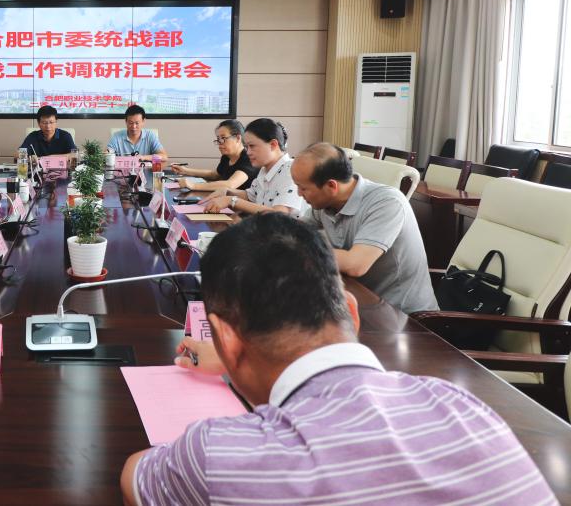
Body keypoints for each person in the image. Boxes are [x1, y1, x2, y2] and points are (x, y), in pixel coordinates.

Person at [121, 214, 555, 505]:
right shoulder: (467, 410)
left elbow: (134, 476)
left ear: (227, 339)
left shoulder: (216, 455)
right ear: (350, 310)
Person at [292, 142, 438, 314]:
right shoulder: (324, 203)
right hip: (358, 301)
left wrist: (298, 250)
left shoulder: (387, 202)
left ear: (331, 186)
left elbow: (355, 264)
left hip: (404, 316)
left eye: (303, 188)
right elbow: (293, 233)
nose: (299, 194)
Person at [200, 118, 308, 217]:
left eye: (252, 146)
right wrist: (227, 191)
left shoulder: (291, 170)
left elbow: (279, 214)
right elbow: (250, 195)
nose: (248, 152)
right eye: (247, 147)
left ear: (273, 145)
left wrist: (232, 200)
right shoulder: (265, 169)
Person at [171, 119, 257, 192]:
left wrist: (193, 185)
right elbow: (215, 174)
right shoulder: (226, 157)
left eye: (223, 138)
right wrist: (185, 171)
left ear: (238, 138)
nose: (220, 143)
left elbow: (230, 184)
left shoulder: (248, 158)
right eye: (218, 139)